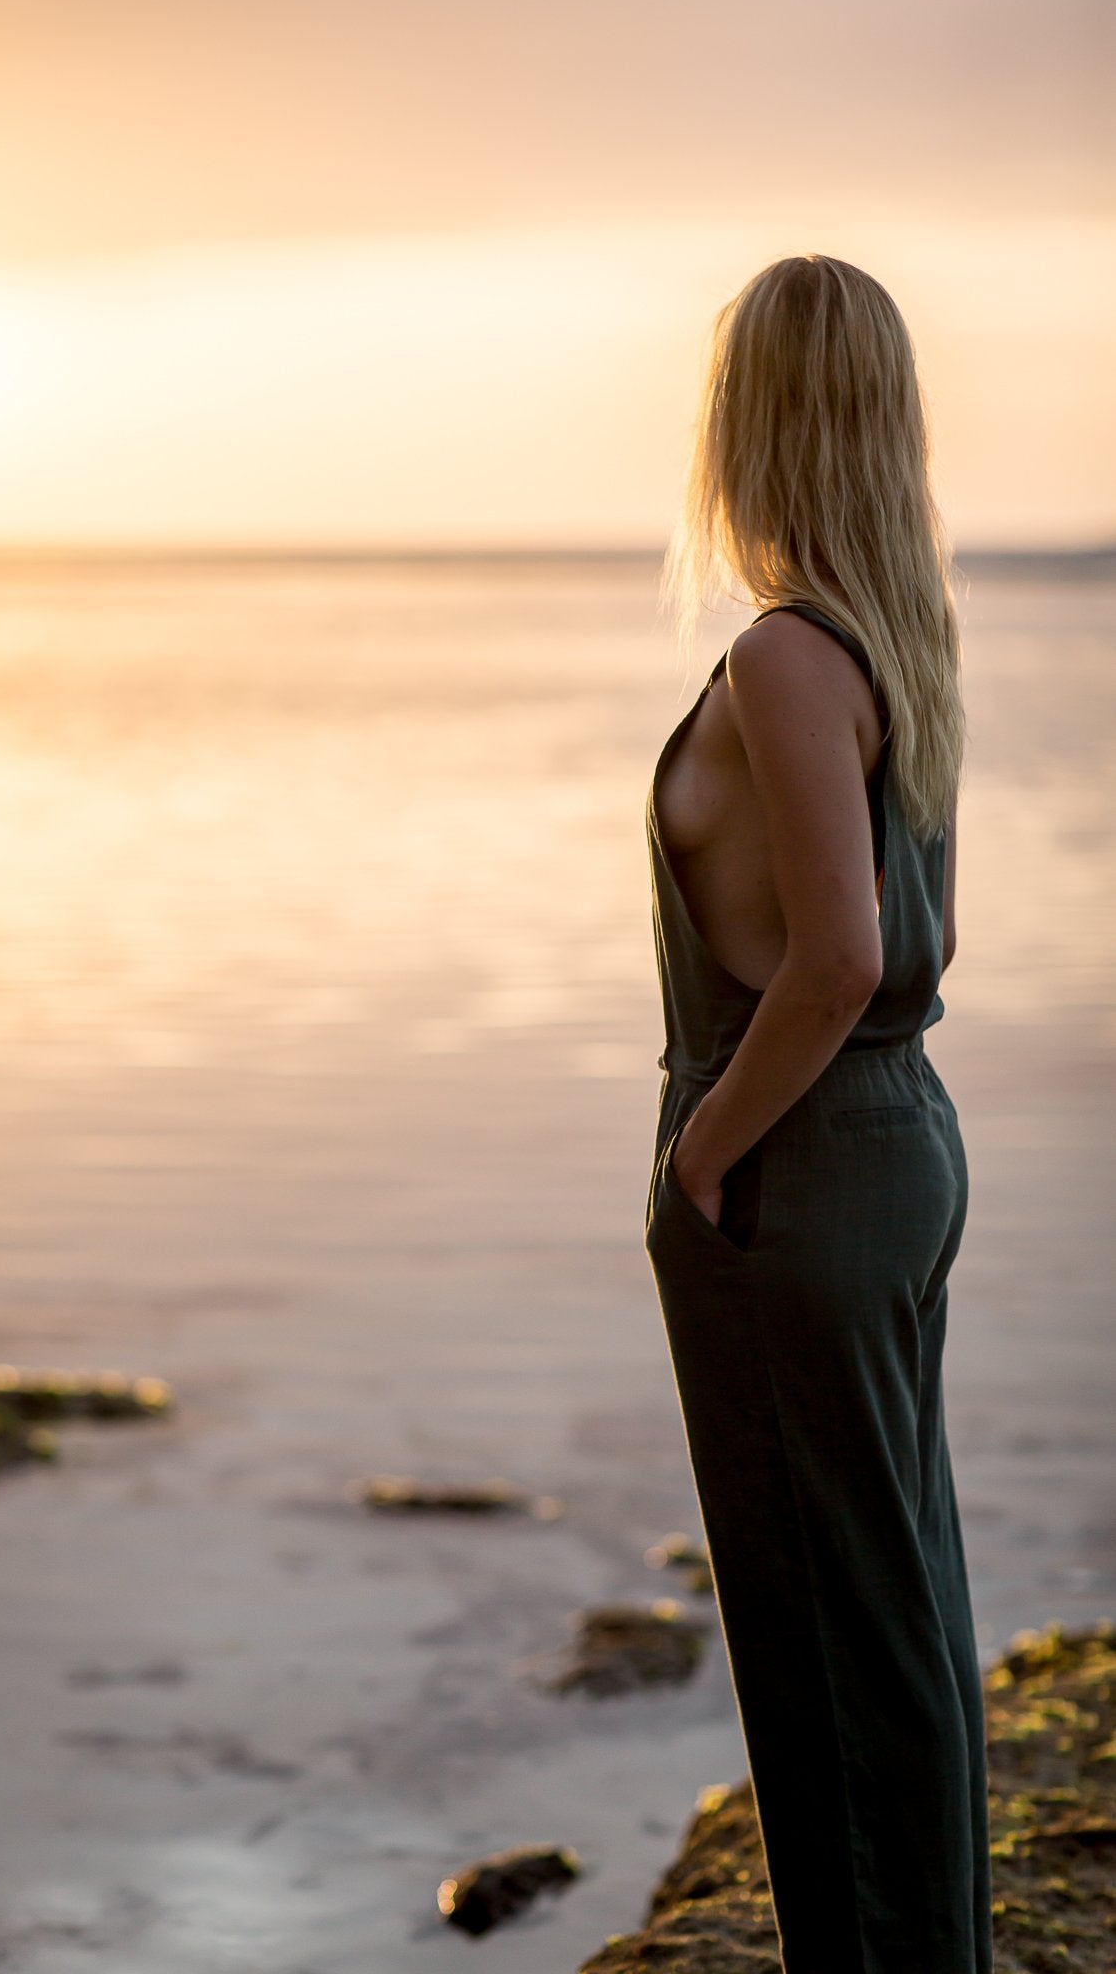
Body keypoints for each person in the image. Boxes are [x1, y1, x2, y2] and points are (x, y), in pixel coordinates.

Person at [643, 254, 993, 1973]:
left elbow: (838, 957)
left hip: (794, 1173)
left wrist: (702, 1153)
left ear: (748, 422)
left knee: (819, 1629)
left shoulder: (786, 657)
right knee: (901, 1600)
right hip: (901, 1148)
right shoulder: (897, 638)